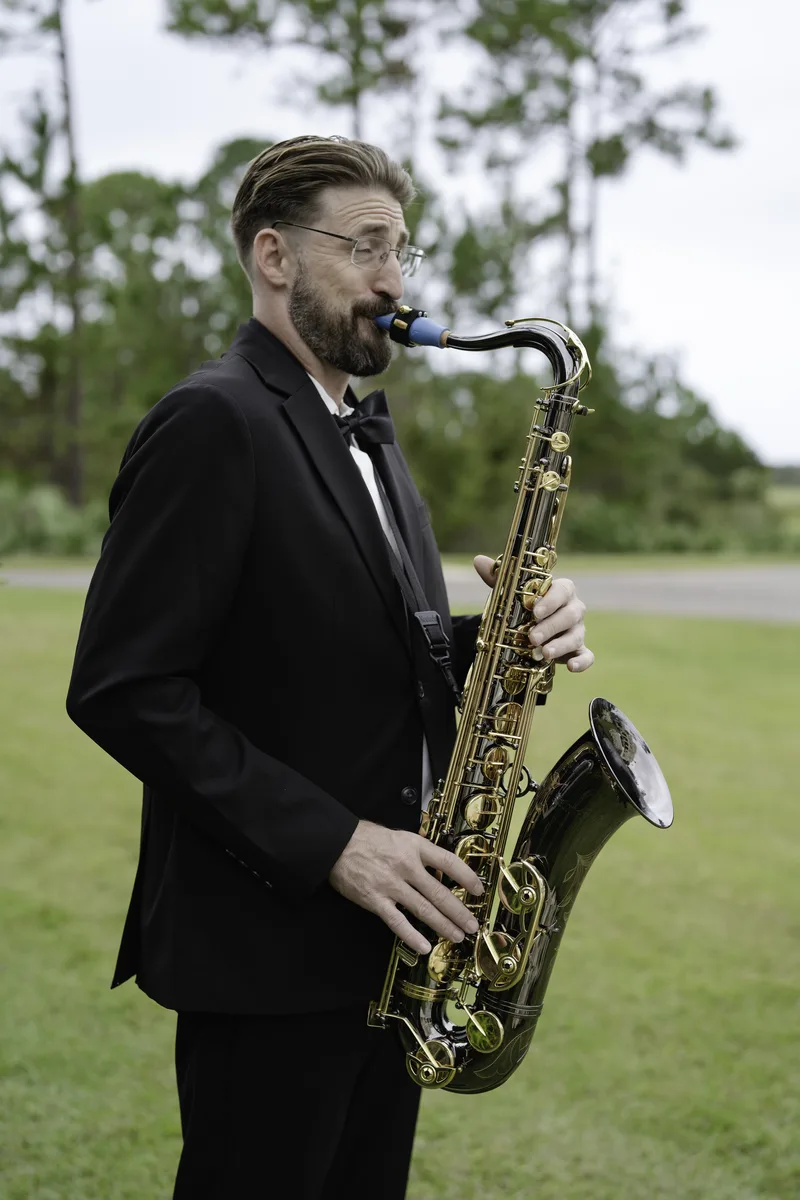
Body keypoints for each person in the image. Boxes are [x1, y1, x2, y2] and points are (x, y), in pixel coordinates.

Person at [66, 134, 594, 1200]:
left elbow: (344, 638)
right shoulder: (212, 420)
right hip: (271, 952)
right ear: (274, 256)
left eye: (400, 250)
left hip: (391, 949)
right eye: (364, 247)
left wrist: (499, 637)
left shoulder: (366, 435)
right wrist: (336, 845)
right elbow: (125, 688)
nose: (393, 280)